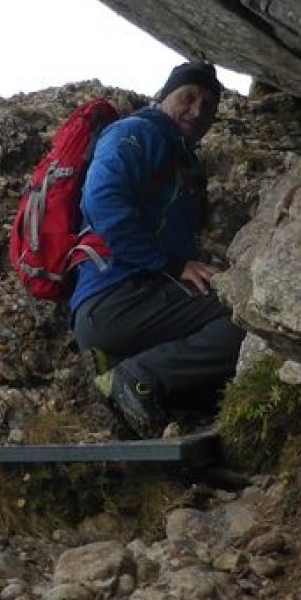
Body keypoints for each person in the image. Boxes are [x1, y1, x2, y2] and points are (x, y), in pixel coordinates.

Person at [71, 61, 242, 436]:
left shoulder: (181, 158)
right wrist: (172, 263)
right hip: (116, 298)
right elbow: (102, 202)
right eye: (187, 97)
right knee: (246, 316)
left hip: (138, 300)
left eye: (208, 106)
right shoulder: (135, 133)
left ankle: (145, 391)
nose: (196, 111)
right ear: (163, 97)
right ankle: (137, 378)